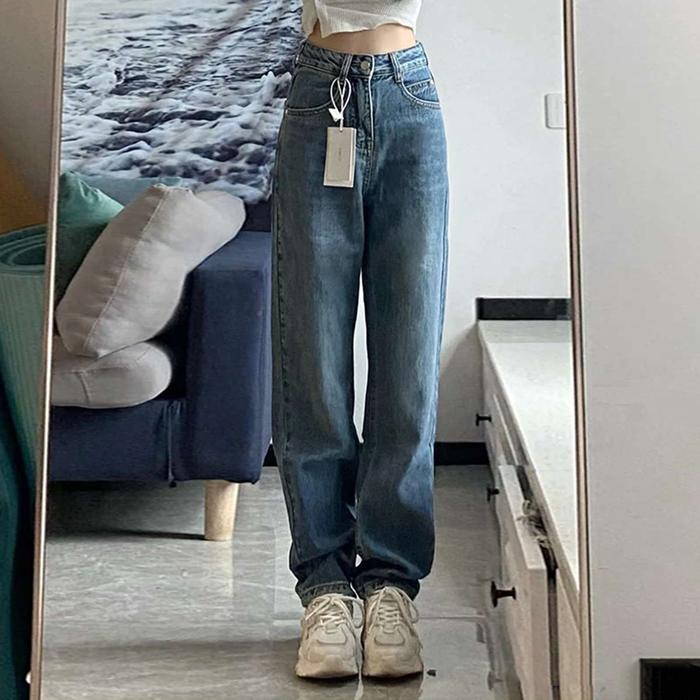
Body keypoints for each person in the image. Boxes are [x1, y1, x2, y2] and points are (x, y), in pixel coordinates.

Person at [271, 0, 448, 679]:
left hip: (410, 96)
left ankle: (391, 588)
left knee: (409, 364)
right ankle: (325, 588)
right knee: (311, 360)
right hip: (319, 97)